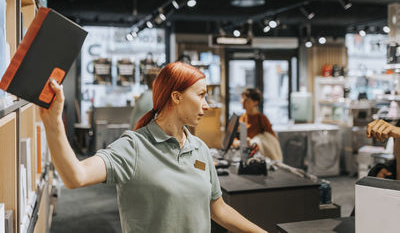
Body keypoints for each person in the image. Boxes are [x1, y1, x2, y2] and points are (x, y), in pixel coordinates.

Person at [40, 62, 268, 233]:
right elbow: (75, 177)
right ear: (176, 97)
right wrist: (54, 123)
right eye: (200, 95)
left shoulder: (199, 148)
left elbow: (218, 209)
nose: (207, 105)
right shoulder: (134, 147)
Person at [232, 88, 282, 161]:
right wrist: (238, 142)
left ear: (255, 102)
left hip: (257, 157)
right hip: (241, 155)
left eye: (246, 99)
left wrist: (253, 144)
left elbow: (272, 141)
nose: (242, 101)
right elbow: (234, 137)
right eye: (241, 99)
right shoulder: (242, 117)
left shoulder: (261, 118)